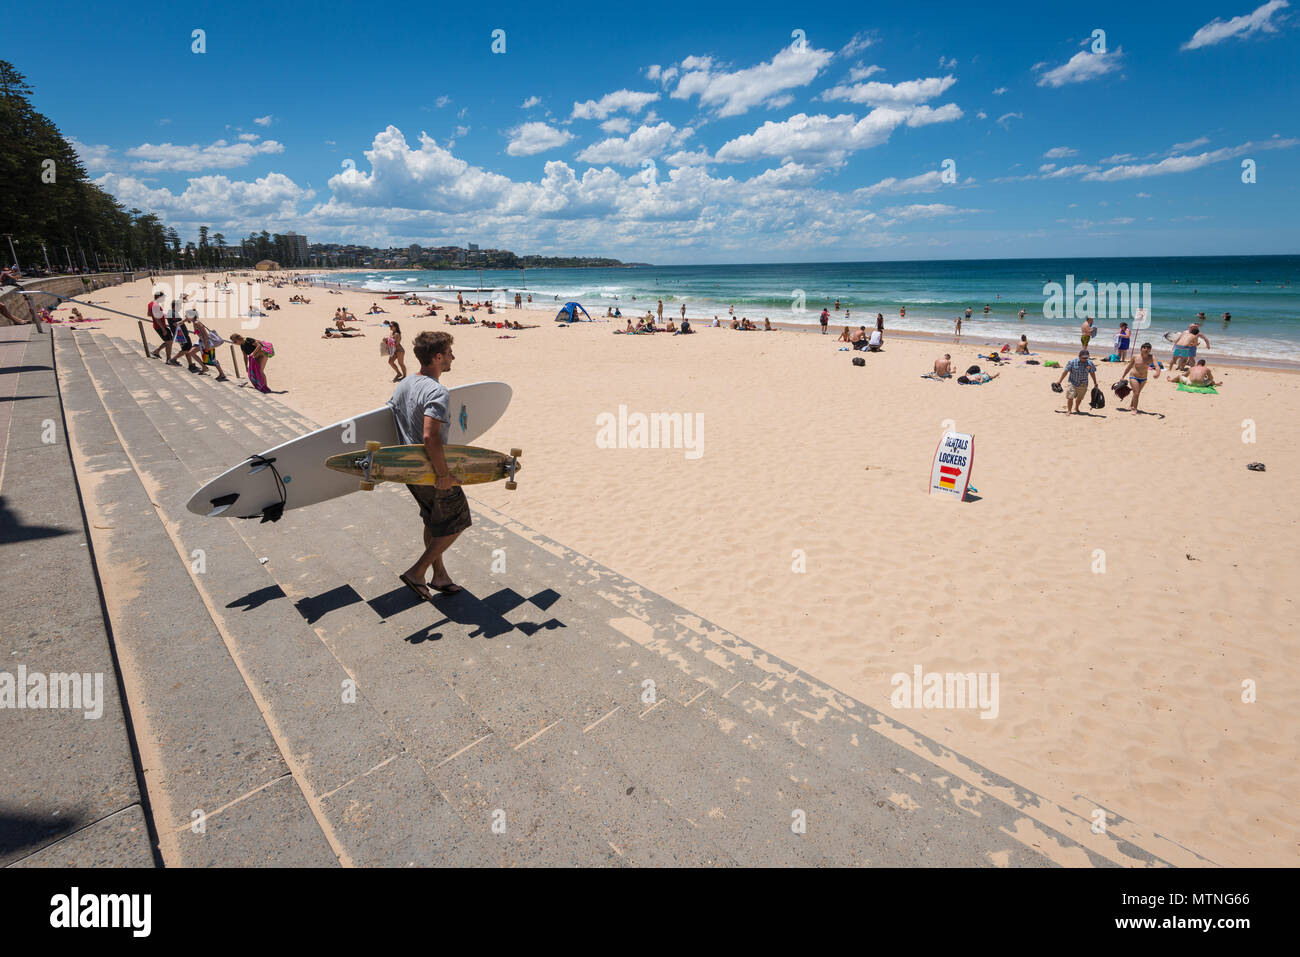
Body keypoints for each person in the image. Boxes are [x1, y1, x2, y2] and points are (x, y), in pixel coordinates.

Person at [389, 330, 470, 601]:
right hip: (431, 472)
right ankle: (417, 572)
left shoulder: (404, 385)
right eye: (449, 353)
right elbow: (429, 436)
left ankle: (440, 575)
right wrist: (444, 474)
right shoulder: (437, 392)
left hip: (408, 469)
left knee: (433, 521)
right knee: (458, 521)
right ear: (437, 357)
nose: (453, 357)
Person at [1115, 341, 1160, 412]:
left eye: (1148, 348)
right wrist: (1123, 376)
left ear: (1150, 350)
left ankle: (1131, 405)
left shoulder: (1152, 357)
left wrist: (1158, 373)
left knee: (1136, 393)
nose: (1146, 349)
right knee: (1136, 393)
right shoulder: (1135, 357)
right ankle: (1134, 409)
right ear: (1141, 349)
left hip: (1143, 378)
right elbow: (1129, 366)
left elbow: (1157, 366)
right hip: (1134, 377)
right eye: (1144, 348)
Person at [1057, 348, 1099, 414]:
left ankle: (1076, 407)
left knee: (1079, 398)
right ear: (1079, 356)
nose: (1085, 359)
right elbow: (1065, 372)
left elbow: (1092, 373)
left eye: (1086, 358)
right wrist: (1059, 381)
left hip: (1083, 383)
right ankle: (1069, 410)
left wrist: (1095, 382)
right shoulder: (1072, 362)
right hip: (1072, 382)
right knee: (1070, 397)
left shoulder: (1090, 363)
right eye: (1083, 358)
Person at [148, 291, 178, 364]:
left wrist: (162, 314)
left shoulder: (150, 304)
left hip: (158, 326)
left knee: (169, 341)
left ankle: (157, 351)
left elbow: (149, 314)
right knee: (169, 342)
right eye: (163, 297)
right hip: (160, 327)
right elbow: (157, 318)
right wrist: (163, 329)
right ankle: (168, 359)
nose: (164, 299)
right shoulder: (155, 305)